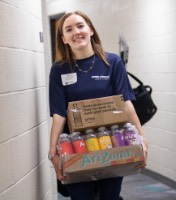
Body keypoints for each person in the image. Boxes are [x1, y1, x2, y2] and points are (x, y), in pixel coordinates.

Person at [48, 10, 148, 200]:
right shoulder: (59, 70)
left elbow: (126, 102)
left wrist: (141, 138)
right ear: (64, 39)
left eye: (80, 26)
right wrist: (53, 153)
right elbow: (59, 114)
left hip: (113, 141)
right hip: (75, 145)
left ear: (91, 30)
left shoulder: (112, 62)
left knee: (110, 196)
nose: (76, 32)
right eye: (69, 29)